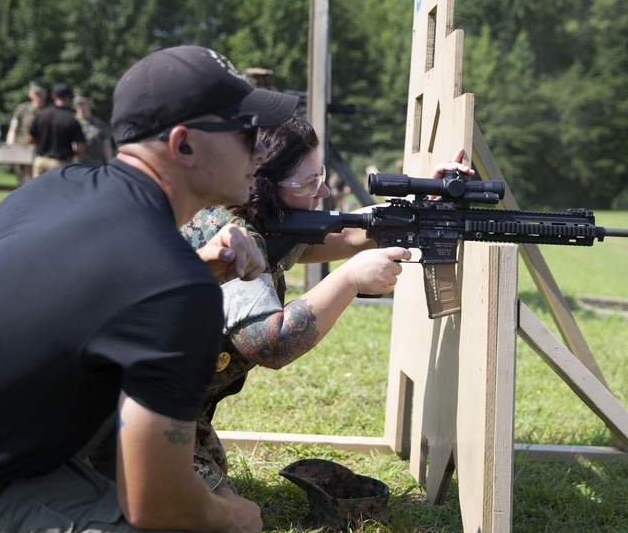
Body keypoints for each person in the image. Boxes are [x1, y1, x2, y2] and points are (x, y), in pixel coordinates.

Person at [0, 45, 305, 533]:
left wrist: (192, 273)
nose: (258, 146)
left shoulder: (58, 188)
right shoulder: (168, 283)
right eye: (244, 128)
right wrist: (231, 516)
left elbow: (96, 298)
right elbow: (155, 498)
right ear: (183, 143)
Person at [178, 116, 468, 494]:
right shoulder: (228, 232)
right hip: (123, 411)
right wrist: (349, 280)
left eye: (322, 176)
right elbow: (271, 342)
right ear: (262, 187)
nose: (323, 192)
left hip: (181, 406)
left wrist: (418, 211)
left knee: (216, 477)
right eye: (308, 183)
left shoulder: (262, 218)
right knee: (230, 520)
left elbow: (342, 237)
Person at [28, 82, 86, 177]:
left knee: (38, 191)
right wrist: (71, 153)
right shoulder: (71, 119)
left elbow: (30, 139)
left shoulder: (42, 115)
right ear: (69, 97)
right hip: (60, 163)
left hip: (40, 161)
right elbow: (80, 149)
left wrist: (43, 145)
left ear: (53, 95)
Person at [74, 91, 115, 165]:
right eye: (77, 104)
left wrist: (110, 165)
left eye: (83, 104)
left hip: (95, 166)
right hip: (76, 166)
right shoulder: (71, 122)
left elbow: (106, 146)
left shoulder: (99, 124)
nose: (80, 107)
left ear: (90, 104)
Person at [5, 80, 48, 146]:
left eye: (41, 93)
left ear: (45, 94)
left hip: (44, 148)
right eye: (36, 93)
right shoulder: (22, 109)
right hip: (25, 146)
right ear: (30, 94)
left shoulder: (50, 111)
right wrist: (10, 144)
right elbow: (13, 128)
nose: (38, 96)